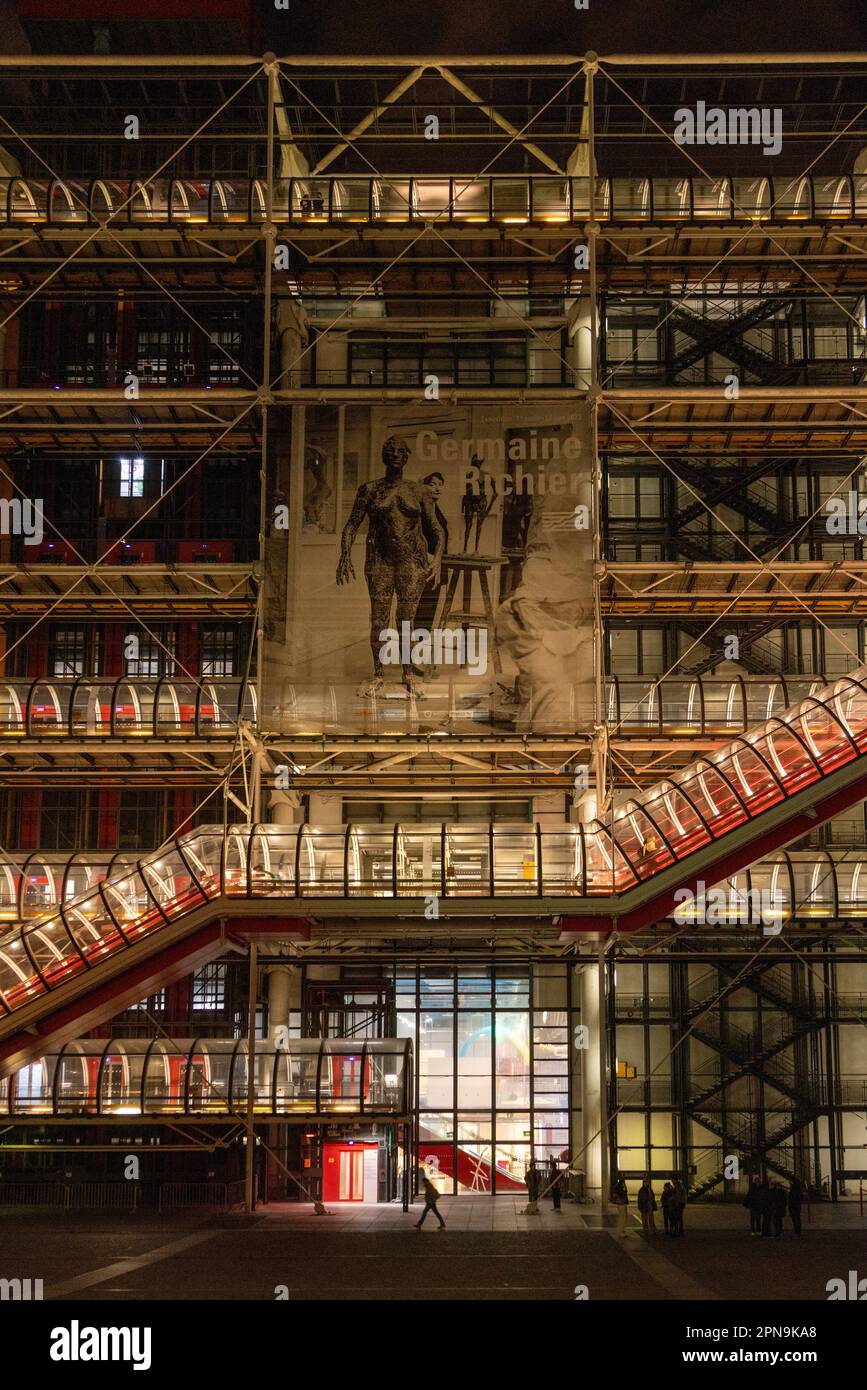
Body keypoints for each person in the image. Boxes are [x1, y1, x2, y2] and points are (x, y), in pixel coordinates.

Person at [337, 435, 445, 696]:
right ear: (383, 456)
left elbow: (437, 530)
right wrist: (345, 554)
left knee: (406, 621)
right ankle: (378, 674)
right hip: (381, 561)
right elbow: (352, 524)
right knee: (378, 620)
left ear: (406, 457)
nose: (395, 454)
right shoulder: (370, 489)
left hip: (412, 561)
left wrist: (438, 558)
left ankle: (408, 674)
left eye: (400, 451)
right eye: (390, 450)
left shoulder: (419, 491)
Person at [411, 471, 450, 638]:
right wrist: (426, 555)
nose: (437, 488)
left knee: (430, 606)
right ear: (423, 486)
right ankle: (411, 649)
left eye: (440, 484)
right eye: (432, 484)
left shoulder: (437, 510)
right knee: (418, 607)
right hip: (423, 563)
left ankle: (421, 645)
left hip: (437, 563)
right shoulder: (418, 509)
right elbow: (412, 535)